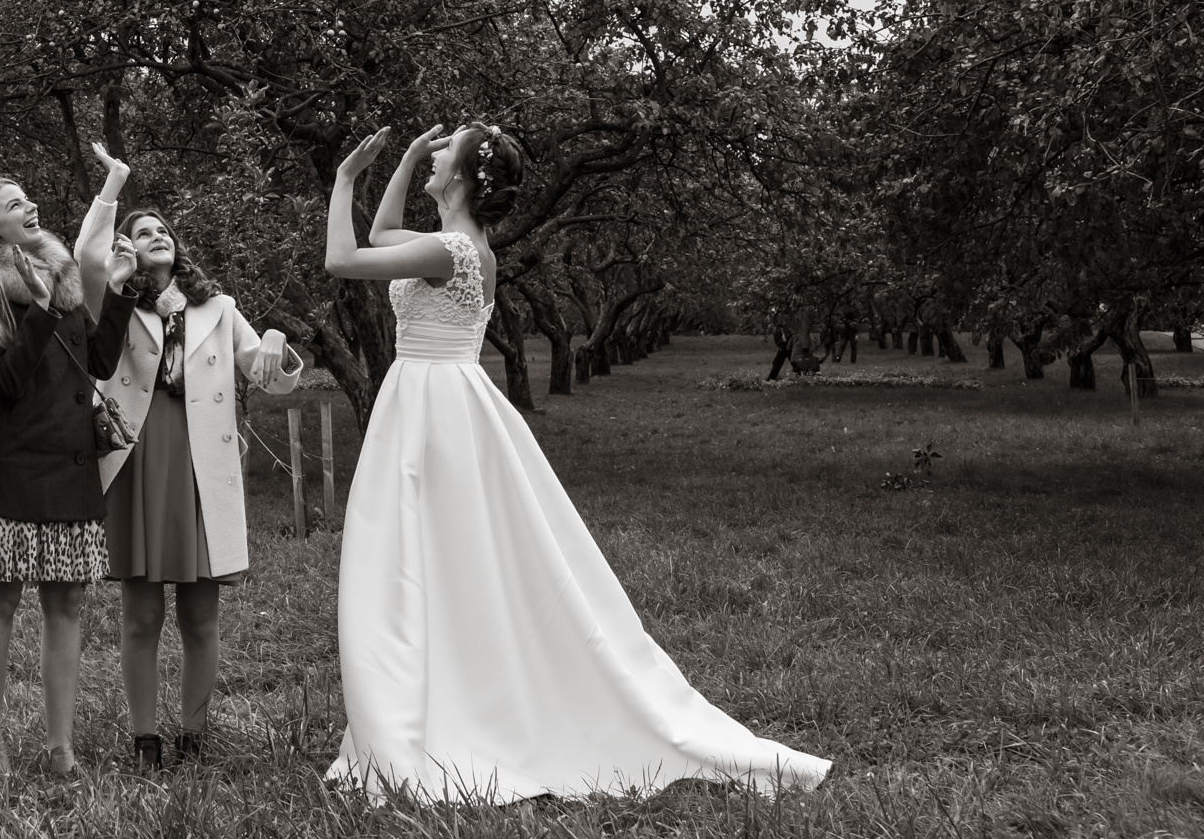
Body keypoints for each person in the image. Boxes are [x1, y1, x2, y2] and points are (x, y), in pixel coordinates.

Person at [325, 122, 832, 802]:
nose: (436, 150)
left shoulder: (452, 250)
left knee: (420, 556)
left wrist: (344, 180)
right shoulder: (455, 246)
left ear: (469, 176)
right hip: (434, 400)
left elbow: (343, 259)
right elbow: (385, 237)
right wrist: (408, 160)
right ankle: (433, 691)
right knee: (434, 558)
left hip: (433, 408)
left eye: (446, 148)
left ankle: (438, 705)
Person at [0, 145, 135, 776]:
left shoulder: (60, 270)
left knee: (68, 605)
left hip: (74, 462)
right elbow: (3, 381)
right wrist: (44, 309)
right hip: (14, 462)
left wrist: (118, 287)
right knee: (0, 599)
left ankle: (61, 746)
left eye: (28, 198)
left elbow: (99, 363)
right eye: (12, 203)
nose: (29, 206)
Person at [97, 203, 302, 772]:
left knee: (200, 616)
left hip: (200, 462)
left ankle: (193, 734)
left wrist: (274, 344)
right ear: (127, 249)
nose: (158, 236)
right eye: (143, 232)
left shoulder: (219, 306)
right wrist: (113, 280)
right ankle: (145, 739)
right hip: (139, 458)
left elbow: (260, 371)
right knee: (140, 615)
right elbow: (93, 355)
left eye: (164, 230)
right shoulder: (113, 302)